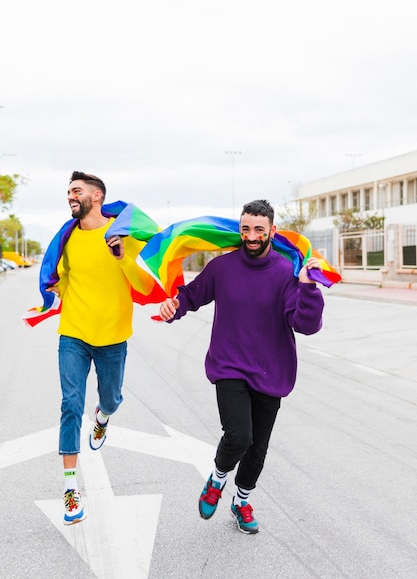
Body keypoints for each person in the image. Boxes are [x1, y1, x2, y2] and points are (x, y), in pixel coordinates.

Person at [159, 199, 325, 534]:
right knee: (239, 436)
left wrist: (308, 287)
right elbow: (192, 296)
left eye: (258, 229)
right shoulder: (222, 268)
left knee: (258, 450)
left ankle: (241, 501)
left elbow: (305, 325)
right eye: (245, 228)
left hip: (271, 371)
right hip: (229, 366)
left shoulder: (287, 273)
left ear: (272, 231)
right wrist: (174, 306)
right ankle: (217, 480)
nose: (251, 236)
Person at [46, 171, 154, 525]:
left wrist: (122, 255)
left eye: (76, 191)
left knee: (111, 398)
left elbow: (141, 282)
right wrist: (49, 297)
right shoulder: (67, 240)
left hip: (112, 336)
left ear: (97, 196)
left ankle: (103, 417)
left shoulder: (122, 236)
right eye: (68, 192)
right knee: (69, 404)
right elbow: (60, 278)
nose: (70, 197)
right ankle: (70, 488)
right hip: (73, 334)